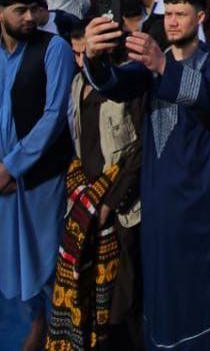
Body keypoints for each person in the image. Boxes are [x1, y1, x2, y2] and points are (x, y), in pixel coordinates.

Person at [82, 0, 210, 349]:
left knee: (203, 286)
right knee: (162, 285)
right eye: (167, 14)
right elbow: (116, 86)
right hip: (158, 202)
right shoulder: (151, 63)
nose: (171, 22)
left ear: (200, 18)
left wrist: (162, 66)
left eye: (180, 14)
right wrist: (94, 58)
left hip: (201, 202)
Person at [46, 23, 144, 350]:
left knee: (122, 301)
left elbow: (139, 151)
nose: (81, 59)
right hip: (86, 202)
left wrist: (108, 202)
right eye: (76, 53)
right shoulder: (76, 84)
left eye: (86, 51)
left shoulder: (127, 85)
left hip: (121, 209)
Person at [0, 0, 74, 351]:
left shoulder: (53, 48)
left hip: (41, 176)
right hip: (3, 179)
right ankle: (36, 320)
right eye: (19, 10)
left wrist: (13, 167)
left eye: (35, 9)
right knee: (11, 257)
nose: (29, 18)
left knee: (47, 257)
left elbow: (53, 116)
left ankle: (55, 329)